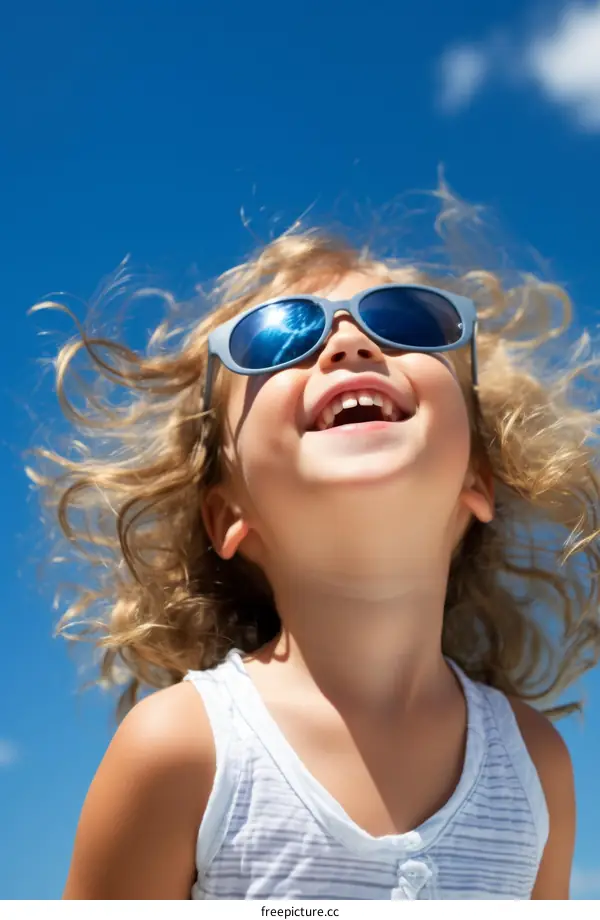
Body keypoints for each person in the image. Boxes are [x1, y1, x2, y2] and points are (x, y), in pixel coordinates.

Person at [31, 197, 600, 900]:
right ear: (228, 516)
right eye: (277, 340)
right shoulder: (183, 750)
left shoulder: (534, 768)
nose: (349, 344)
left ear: (477, 481)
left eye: (408, 322)